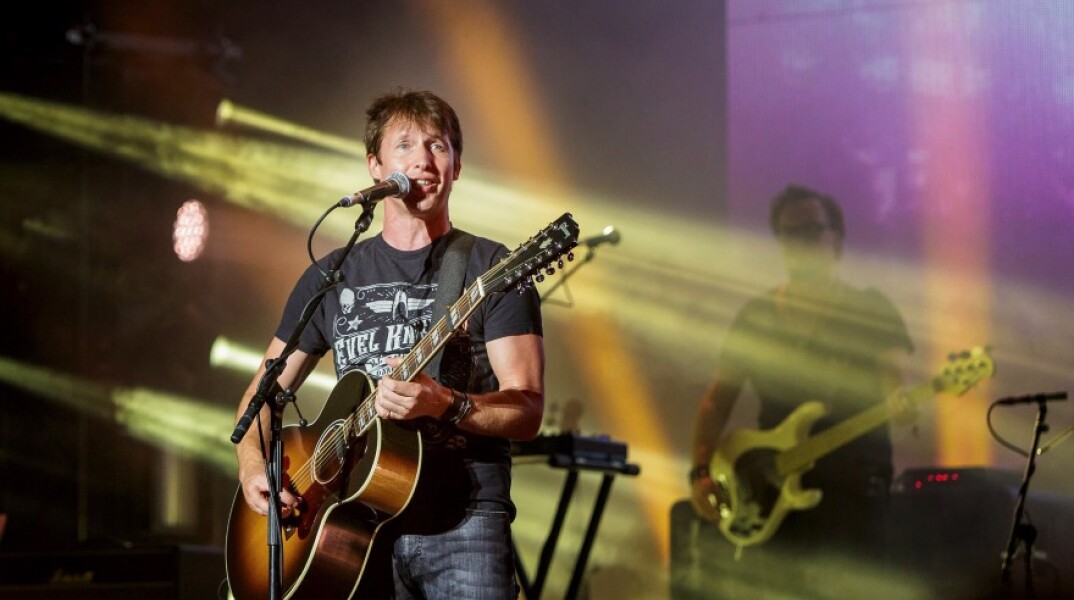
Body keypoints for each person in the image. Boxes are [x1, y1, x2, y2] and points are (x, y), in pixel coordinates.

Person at [234, 89, 544, 599]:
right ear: (375, 167)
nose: (423, 160)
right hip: (353, 528)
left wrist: (444, 403)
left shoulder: (491, 268)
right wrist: (252, 467)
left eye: (438, 146)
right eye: (404, 145)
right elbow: (261, 397)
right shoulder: (331, 276)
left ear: (457, 166)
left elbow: (527, 411)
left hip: (463, 522)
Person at [675, 185, 914, 599]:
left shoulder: (870, 308)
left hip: (854, 495)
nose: (801, 241)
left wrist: (904, 407)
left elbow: (897, 388)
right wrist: (699, 472)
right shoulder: (756, 317)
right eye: (790, 233)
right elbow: (716, 402)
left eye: (812, 230)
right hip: (772, 496)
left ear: (836, 238)